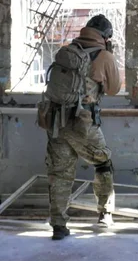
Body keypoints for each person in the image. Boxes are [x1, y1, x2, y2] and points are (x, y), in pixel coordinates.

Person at [42, 14, 121, 240]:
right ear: (106, 36)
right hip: (83, 123)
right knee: (103, 162)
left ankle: (58, 225)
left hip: (56, 121)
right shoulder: (103, 55)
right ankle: (104, 213)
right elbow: (114, 89)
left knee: (60, 174)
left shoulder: (68, 51)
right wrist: (109, 58)